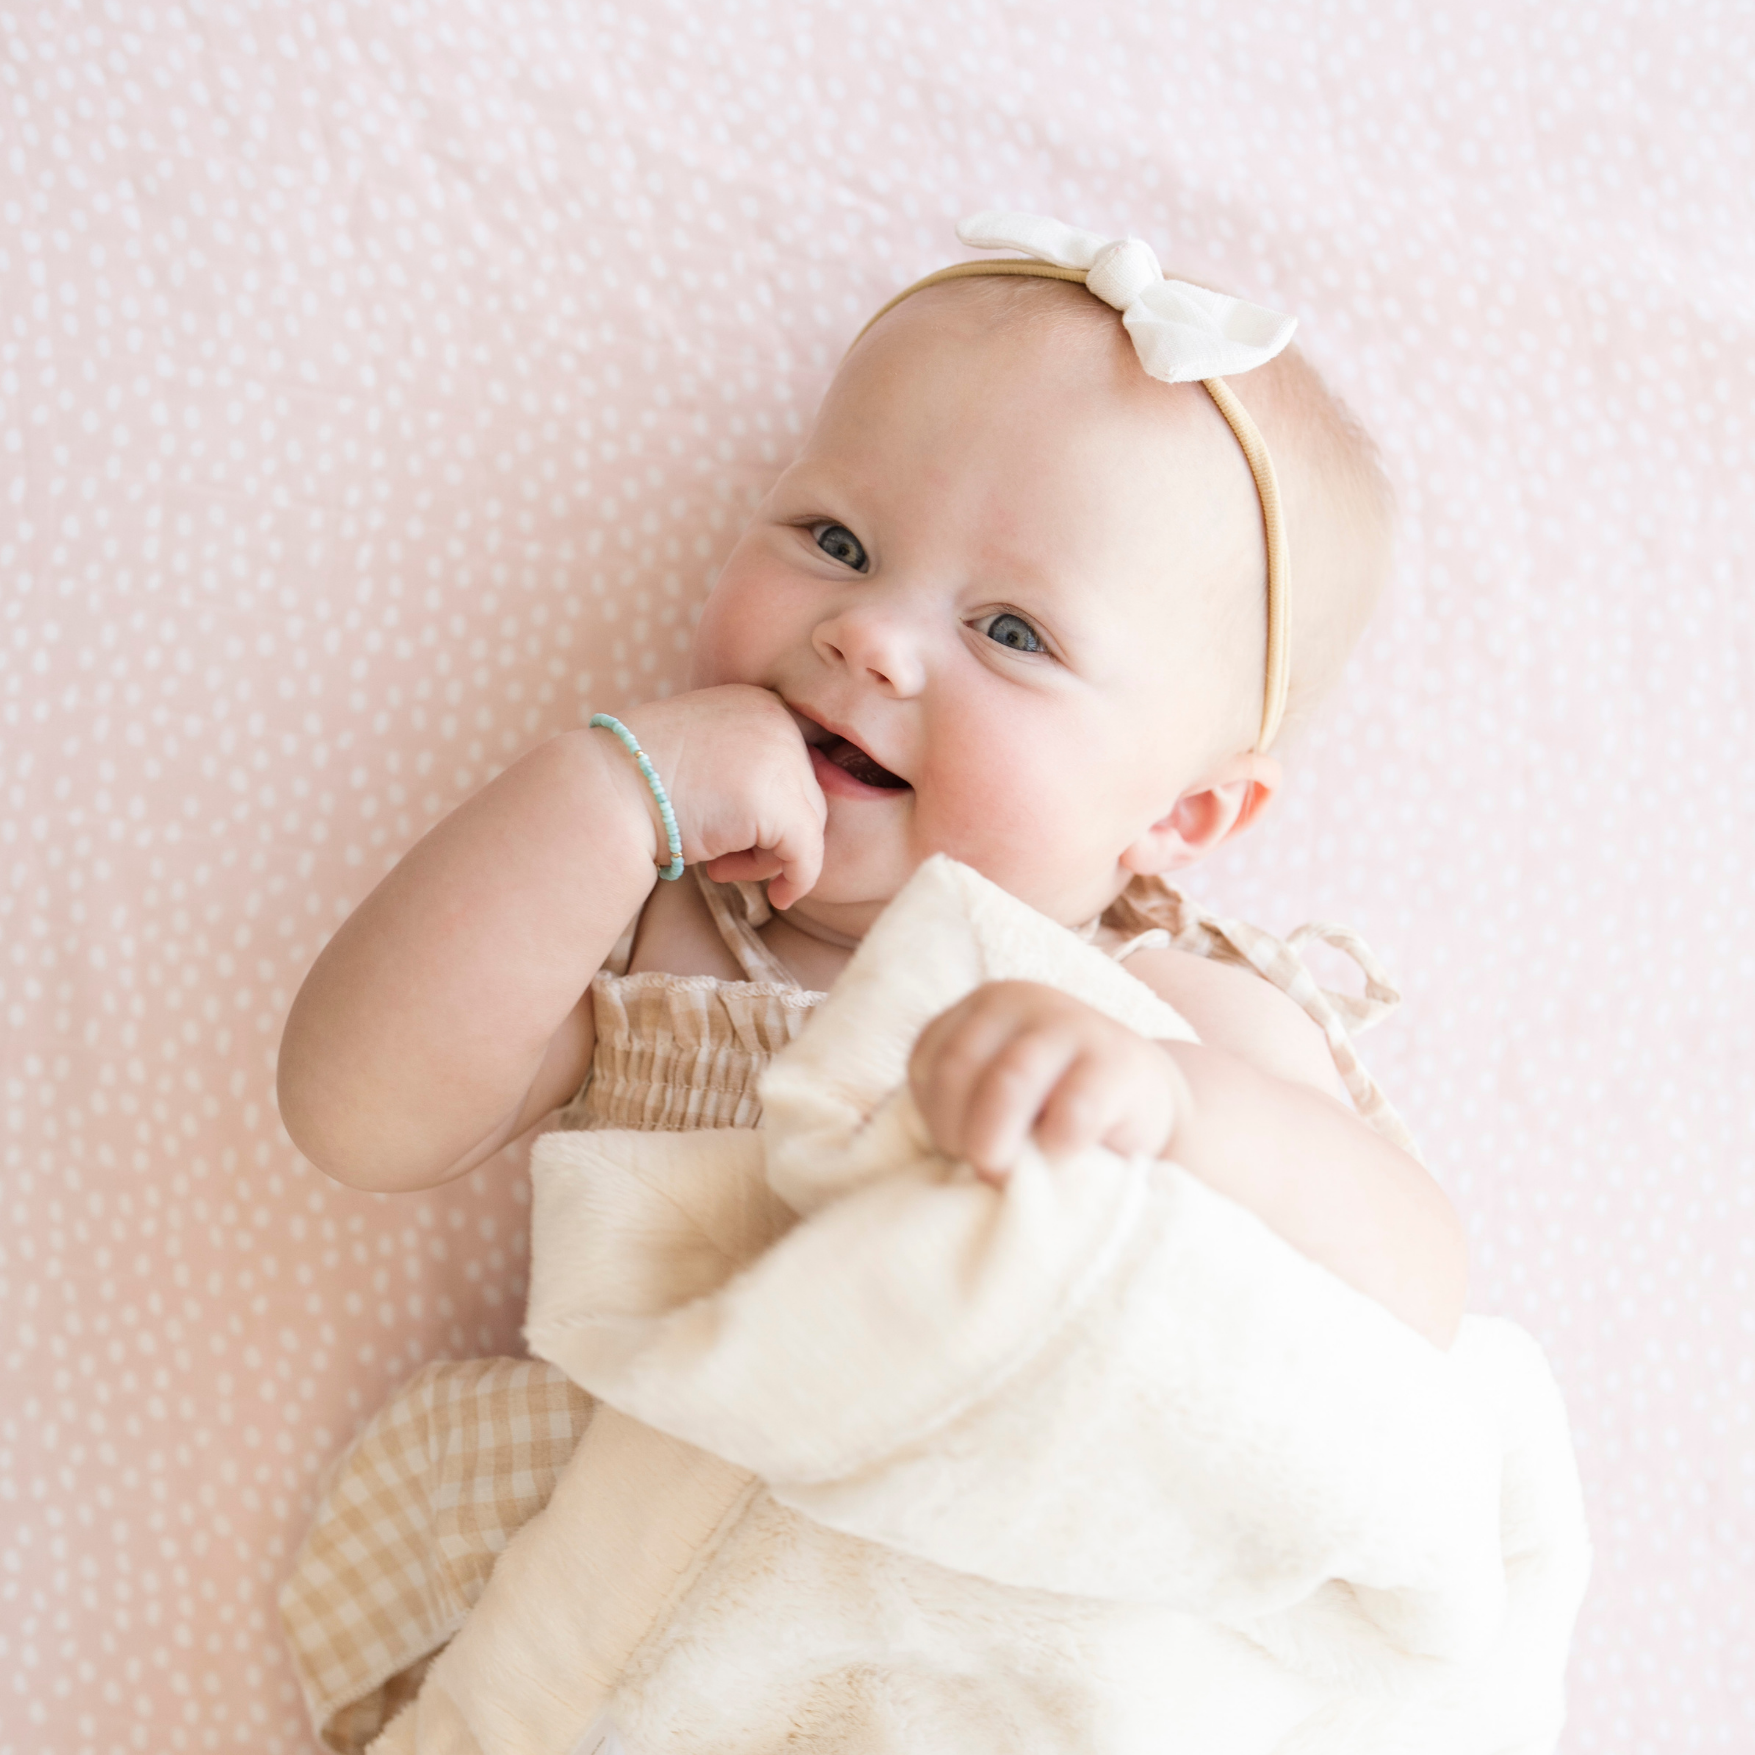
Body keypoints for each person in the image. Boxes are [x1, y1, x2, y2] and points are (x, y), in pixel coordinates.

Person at [275, 213, 1482, 1750]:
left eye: (1009, 631)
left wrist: (1168, 1104)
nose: (872, 638)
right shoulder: (669, 940)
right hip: (656, 1626)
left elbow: (1411, 1292)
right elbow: (357, 1113)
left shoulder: (1169, 1005)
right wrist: (606, 792)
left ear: (1182, 811)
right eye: (834, 543)